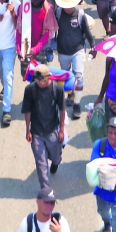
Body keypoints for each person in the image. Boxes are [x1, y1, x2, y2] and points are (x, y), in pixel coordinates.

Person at [23, 63, 68, 193]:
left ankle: (55, 162)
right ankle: (46, 189)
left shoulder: (57, 89)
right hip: (36, 132)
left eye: (43, 79)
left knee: (56, 157)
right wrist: (28, 130)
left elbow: (62, 109)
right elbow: (27, 110)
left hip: (52, 130)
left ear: (49, 77)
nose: (40, 83)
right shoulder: (30, 90)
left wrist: (61, 130)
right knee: (41, 163)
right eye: (38, 80)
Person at [54, 0, 97, 118]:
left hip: (78, 49)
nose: (67, 8)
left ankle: (77, 104)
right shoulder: (58, 13)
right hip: (62, 50)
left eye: (69, 6)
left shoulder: (80, 15)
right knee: (65, 76)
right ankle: (70, 94)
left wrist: (93, 46)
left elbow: (88, 33)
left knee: (78, 76)